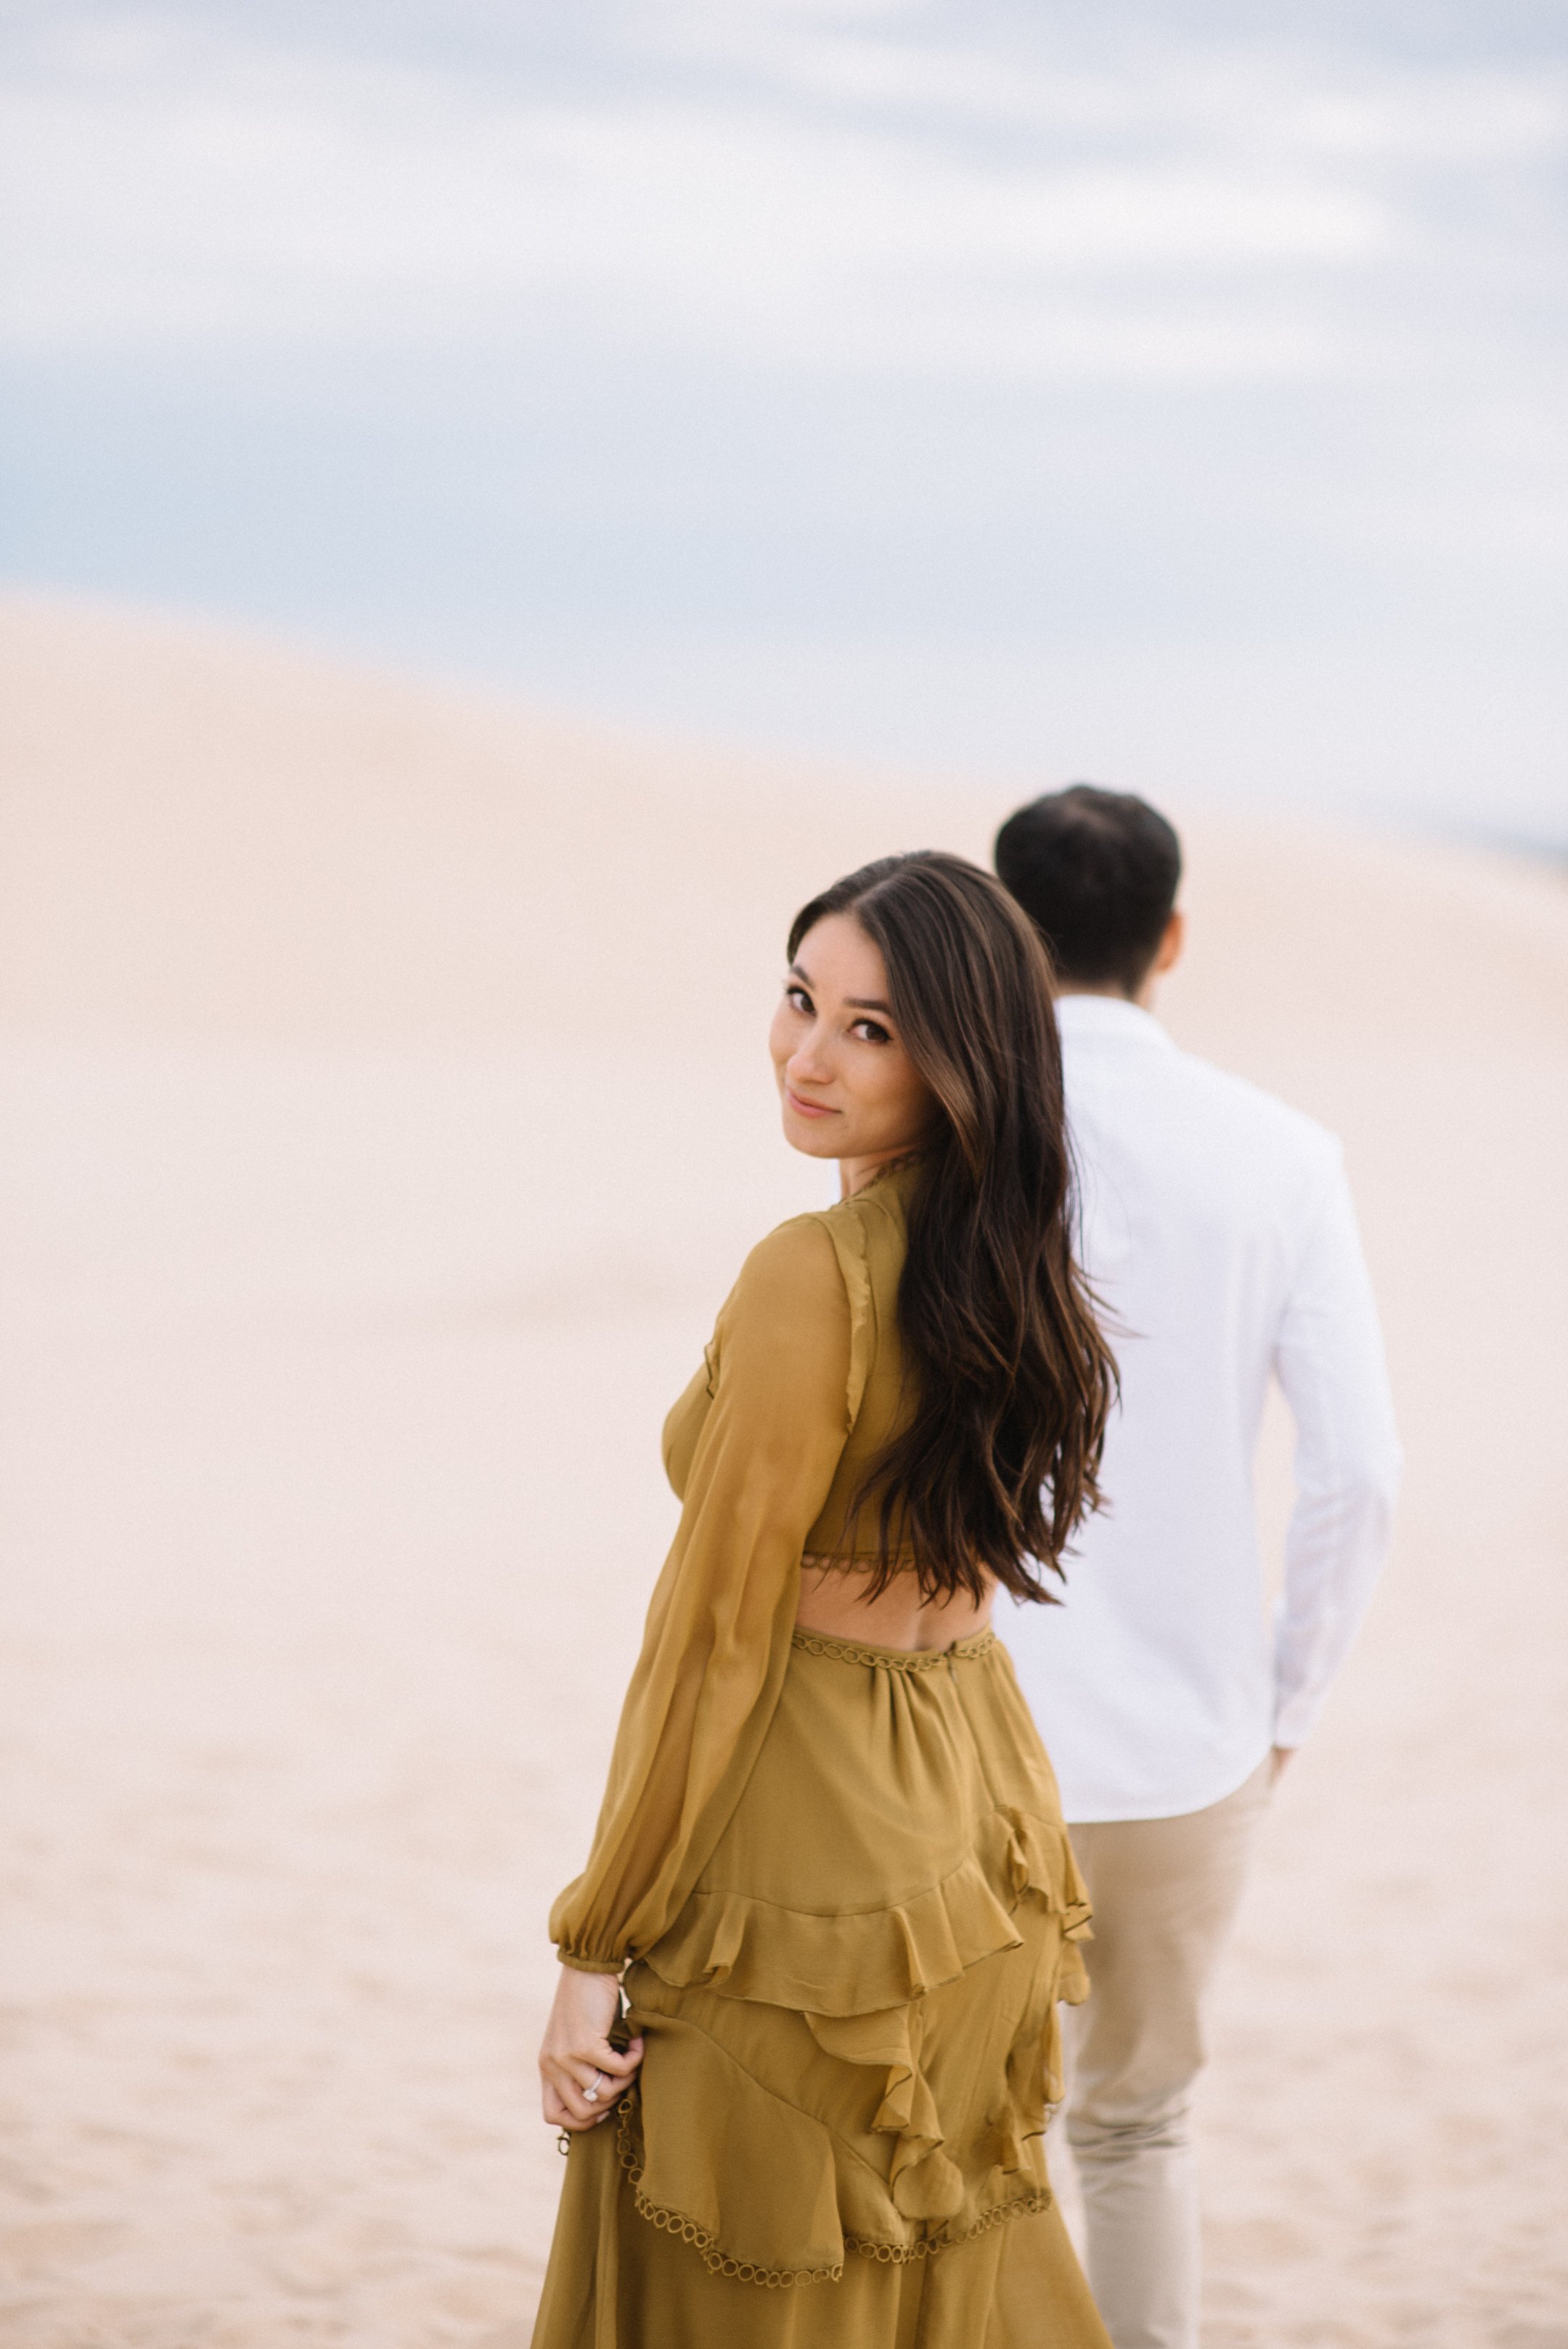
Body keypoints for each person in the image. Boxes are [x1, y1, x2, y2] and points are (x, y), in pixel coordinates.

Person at [531, 851, 1119, 2348]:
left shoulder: (813, 1272)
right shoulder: (1008, 1259)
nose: (807, 1055)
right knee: (929, 2274)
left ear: (961, 1055)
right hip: (972, 1821)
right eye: (801, 1001)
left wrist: (596, 1944)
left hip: (808, 1847)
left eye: (871, 1027)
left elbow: (716, 1635)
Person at [993, 786, 1402, 2349]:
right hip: (1187, 1744)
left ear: (1002, 927)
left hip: (952, 1735)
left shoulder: (950, 1131)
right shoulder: (1284, 1153)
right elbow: (1361, 1471)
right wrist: (1284, 1705)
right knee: (1138, 2131)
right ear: (1170, 940)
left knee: (961, 2137)